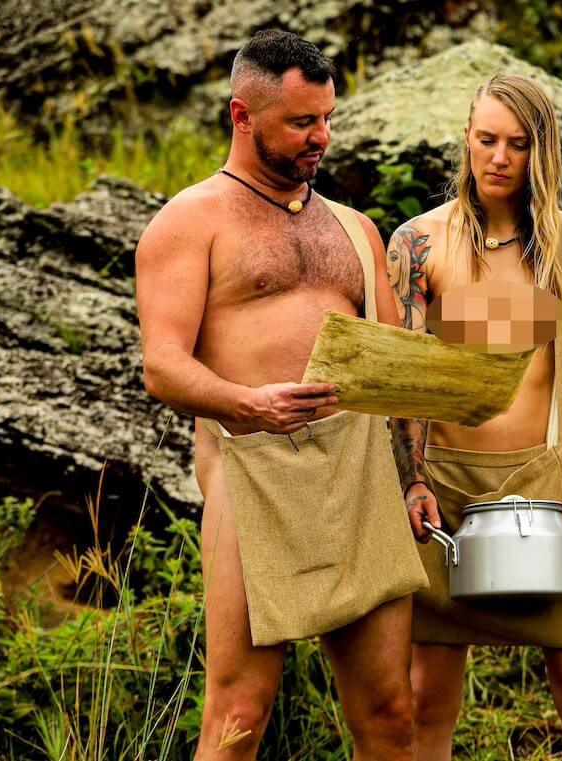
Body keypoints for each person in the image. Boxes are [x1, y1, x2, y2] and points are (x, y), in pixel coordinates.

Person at [135, 29, 428, 760]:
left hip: (359, 476)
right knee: (238, 715)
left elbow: (392, 368)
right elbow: (162, 367)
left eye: (327, 118)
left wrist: (416, 477)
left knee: (391, 711)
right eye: (301, 122)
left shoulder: (355, 229)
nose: (321, 136)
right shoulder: (190, 221)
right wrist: (249, 404)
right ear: (242, 116)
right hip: (252, 473)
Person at [386, 74, 562, 760]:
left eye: (518, 144)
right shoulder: (418, 243)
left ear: (541, 151)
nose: (499, 157)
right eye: (487, 139)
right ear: (466, 138)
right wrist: (413, 481)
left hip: (548, 485)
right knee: (427, 693)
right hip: (444, 492)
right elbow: (407, 382)